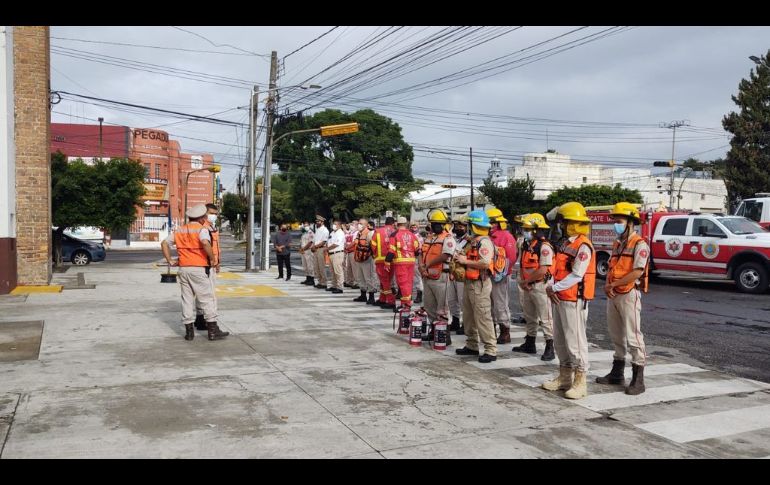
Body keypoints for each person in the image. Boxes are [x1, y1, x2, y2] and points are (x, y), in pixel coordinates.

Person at [542, 202, 596, 400]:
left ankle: (580, 382)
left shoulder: (583, 246)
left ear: (571, 223)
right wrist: (552, 286)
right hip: (560, 297)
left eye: (562, 222)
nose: (560, 226)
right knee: (561, 340)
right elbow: (557, 269)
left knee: (576, 342)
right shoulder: (566, 244)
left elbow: (576, 275)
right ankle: (565, 377)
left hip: (574, 300)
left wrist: (553, 288)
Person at [596, 202, 650, 395]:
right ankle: (617, 373)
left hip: (628, 294)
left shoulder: (640, 244)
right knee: (616, 335)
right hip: (614, 294)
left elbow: (637, 272)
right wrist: (608, 285)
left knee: (633, 336)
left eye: (619, 221)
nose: (615, 225)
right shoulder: (617, 244)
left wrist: (613, 285)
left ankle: (638, 379)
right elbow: (613, 268)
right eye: (614, 221)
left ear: (630, 222)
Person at [161, 203, 228, 341]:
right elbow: (204, 243)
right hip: (198, 268)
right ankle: (213, 330)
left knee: (186, 299)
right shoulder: (201, 229)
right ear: (202, 217)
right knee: (207, 299)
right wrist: (212, 258)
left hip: (183, 269)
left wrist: (170, 260)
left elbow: (164, 243)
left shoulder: (180, 230)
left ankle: (189, 332)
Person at [454, 210, 497, 363]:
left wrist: (465, 261)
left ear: (475, 225)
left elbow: (485, 263)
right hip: (469, 283)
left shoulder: (484, 242)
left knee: (483, 316)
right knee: (469, 316)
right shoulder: (473, 241)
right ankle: (472, 344)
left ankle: (490, 349)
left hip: (480, 284)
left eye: (469, 224)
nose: (467, 227)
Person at [513, 213, 555, 361]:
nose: (525, 231)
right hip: (528, 286)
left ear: (537, 230)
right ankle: (530, 343)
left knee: (545, 318)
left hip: (540, 286)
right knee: (530, 316)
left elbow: (543, 270)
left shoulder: (544, 247)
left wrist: (527, 281)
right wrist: (524, 282)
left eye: (528, 229)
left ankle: (550, 347)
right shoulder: (527, 245)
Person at [418, 209, 456, 344]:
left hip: (442, 277)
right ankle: (434, 331)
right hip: (427, 277)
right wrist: (422, 266)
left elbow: (446, 255)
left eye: (436, 224)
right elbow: (422, 253)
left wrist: (428, 264)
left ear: (443, 225)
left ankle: (445, 335)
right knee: (429, 306)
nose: (434, 226)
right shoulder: (430, 237)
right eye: (433, 224)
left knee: (443, 308)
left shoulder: (448, 239)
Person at [486, 208, 518, 344]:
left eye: (493, 222)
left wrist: (502, 273)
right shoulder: (487, 236)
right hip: (487, 275)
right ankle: (491, 330)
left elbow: (511, 257)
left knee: (500, 304)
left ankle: (505, 331)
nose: (490, 224)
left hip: (500, 276)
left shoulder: (506, 236)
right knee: (488, 304)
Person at [192, 203, 221, 332]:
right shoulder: (203, 227)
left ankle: (200, 318)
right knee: (210, 296)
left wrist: (218, 262)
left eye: (215, 214)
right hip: (206, 264)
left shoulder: (212, 227)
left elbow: (215, 247)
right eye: (211, 213)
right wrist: (213, 260)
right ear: (204, 213)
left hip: (211, 264)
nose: (213, 216)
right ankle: (211, 324)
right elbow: (205, 245)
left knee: (201, 293)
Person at [388, 216, 420, 311]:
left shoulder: (395, 234)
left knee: (402, 283)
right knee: (409, 283)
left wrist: (387, 262)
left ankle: (406, 305)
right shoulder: (412, 235)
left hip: (400, 262)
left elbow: (391, 250)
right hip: (411, 261)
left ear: (397, 224)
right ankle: (406, 303)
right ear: (406, 224)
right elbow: (417, 250)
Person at [447, 215, 469, 335]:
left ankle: (466, 324)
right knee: (451, 300)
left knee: (462, 301)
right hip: (452, 273)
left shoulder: (469, 241)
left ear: (466, 227)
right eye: (456, 226)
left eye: (460, 226)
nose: (458, 228)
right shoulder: (453, 240)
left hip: (462, 275)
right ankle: (455, 321)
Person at [372, 216, 396, 309]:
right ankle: (382, 299)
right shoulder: (395, 231)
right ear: (393, 223)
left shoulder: (378, 231)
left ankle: (390, 301)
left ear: (385, 223)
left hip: (381, 259)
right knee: (386, 280)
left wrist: (375, 255)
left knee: (385, 281)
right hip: (392, 259)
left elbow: (373, 245)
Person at [351, 218, 378, 304]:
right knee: (360, 277)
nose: (359, 225)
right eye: (359, 223)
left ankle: (371, 296)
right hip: (359, 258)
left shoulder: (370, 233)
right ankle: (363, 295)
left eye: (361, 224)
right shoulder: (359, 233)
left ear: (366, 225)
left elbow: (373, 247)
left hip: (367, 259)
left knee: (369, 277)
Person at [325, 218, 346, 293]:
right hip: (331, 253)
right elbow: (329, 242)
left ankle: (340, 287)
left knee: (338, 271)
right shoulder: (332, 233)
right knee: (332, 271)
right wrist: (327, 248)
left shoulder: (340, 233)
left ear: (340, 226)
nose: (333, 225)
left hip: (337, 253)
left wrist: (327, 248)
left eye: (335, 224)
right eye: (333, 224)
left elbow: (336, 244)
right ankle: (334, 285)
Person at [311, 216, 329, 289]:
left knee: (321, 266)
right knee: (316, 267)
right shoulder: (317, 230)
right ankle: (319, 281)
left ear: (322, 222)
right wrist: (313, 247)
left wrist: (315, 247)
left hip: (321, 249)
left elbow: (324, 241)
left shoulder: (325, 230)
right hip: (316, 249)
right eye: (317, 221)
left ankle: (324, 283)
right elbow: (315, 240)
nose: (317, 222)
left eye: (319, 221)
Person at [410, 222, 424, 304]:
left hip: (416, 258)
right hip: (409, 258)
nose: (413, 227)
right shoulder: (409, 235)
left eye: (415, 226)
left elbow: (420, 249)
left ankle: (419, 294)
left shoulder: (419, 237)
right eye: (412, 226)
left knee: (417, 277)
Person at [299, 221, 316, 285]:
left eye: (307, 225)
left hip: (308, 251)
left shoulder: (311, 233)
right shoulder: (304, 233)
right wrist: (301, 249)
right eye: (305, 225)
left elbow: (310, 243)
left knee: (310, 265)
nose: (305, 227)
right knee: (305, 266)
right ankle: (307, 278)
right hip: (303, 251)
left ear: (309, 226)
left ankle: (312, 280)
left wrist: (303, 249)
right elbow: (301, 242)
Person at [344, 222, 358, 288]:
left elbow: (354, 242)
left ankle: (356, 282)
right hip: (349, 251)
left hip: (353, 251)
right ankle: (350, 281)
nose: (351, 225)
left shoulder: (357, 232)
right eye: (351, 224)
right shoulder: (351, 232)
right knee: (349, 268)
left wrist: (347, 247)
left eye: (353, 224)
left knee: (354, 268)